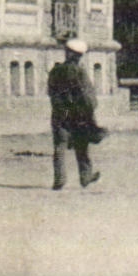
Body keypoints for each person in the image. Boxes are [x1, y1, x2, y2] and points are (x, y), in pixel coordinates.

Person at [47, 38, 102, 190]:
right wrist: (91, 110)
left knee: (60, 146)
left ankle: (59, 179)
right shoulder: (80, 72)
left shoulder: (56, 70)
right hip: (77, 114)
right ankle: (85, 176)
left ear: (67, 53)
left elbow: (51, 92)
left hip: (60, 112)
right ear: (79, 56)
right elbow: (87, 96)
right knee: (81, 146)